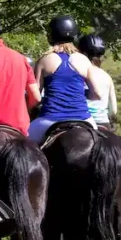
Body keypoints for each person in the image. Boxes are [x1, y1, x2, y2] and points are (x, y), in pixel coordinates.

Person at [28, 15, 103, 144]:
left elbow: (36, 97)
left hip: (50, 119)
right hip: (84, 119)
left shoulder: (44, 60)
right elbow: (97, 94)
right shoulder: (84, 60)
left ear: (51, 35)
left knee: (25, 146)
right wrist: (80, 93)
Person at [78, 33, 118, 131]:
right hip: (103, 123)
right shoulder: (107, 77)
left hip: (81, 121)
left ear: (83, 53)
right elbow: (113, 110)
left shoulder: (77, 73)